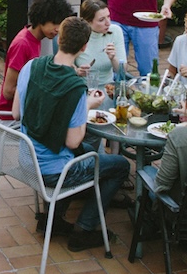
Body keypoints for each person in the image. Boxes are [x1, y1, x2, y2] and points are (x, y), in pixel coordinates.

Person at [12, 17, 131, 252]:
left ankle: (53, 221)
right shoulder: (76, 89)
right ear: (84, 47)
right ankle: (84, 229)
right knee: (120, 166)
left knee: (85, 153)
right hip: (53, 172)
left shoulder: (31, 66)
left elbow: (16, 113)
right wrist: (87, 105)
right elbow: (72, 140)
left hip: (26, 158)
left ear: (59, 37)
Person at [0, 0, 73, 115]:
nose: (58, 29)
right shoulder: (22, 44)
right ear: (42, 19)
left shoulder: (35, 38)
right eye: (55, 23)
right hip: (12, 116)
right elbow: (8, 91)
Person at [78, 0, 127, 96]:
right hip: (83, 90)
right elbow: (65, 66)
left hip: (108, 89)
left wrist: (113, 58)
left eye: (108, 16)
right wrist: (77, 71)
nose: (108, 23)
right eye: (101, 20)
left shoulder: (115, 31)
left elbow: (123, 71)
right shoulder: (78, 34)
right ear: (88, 21)